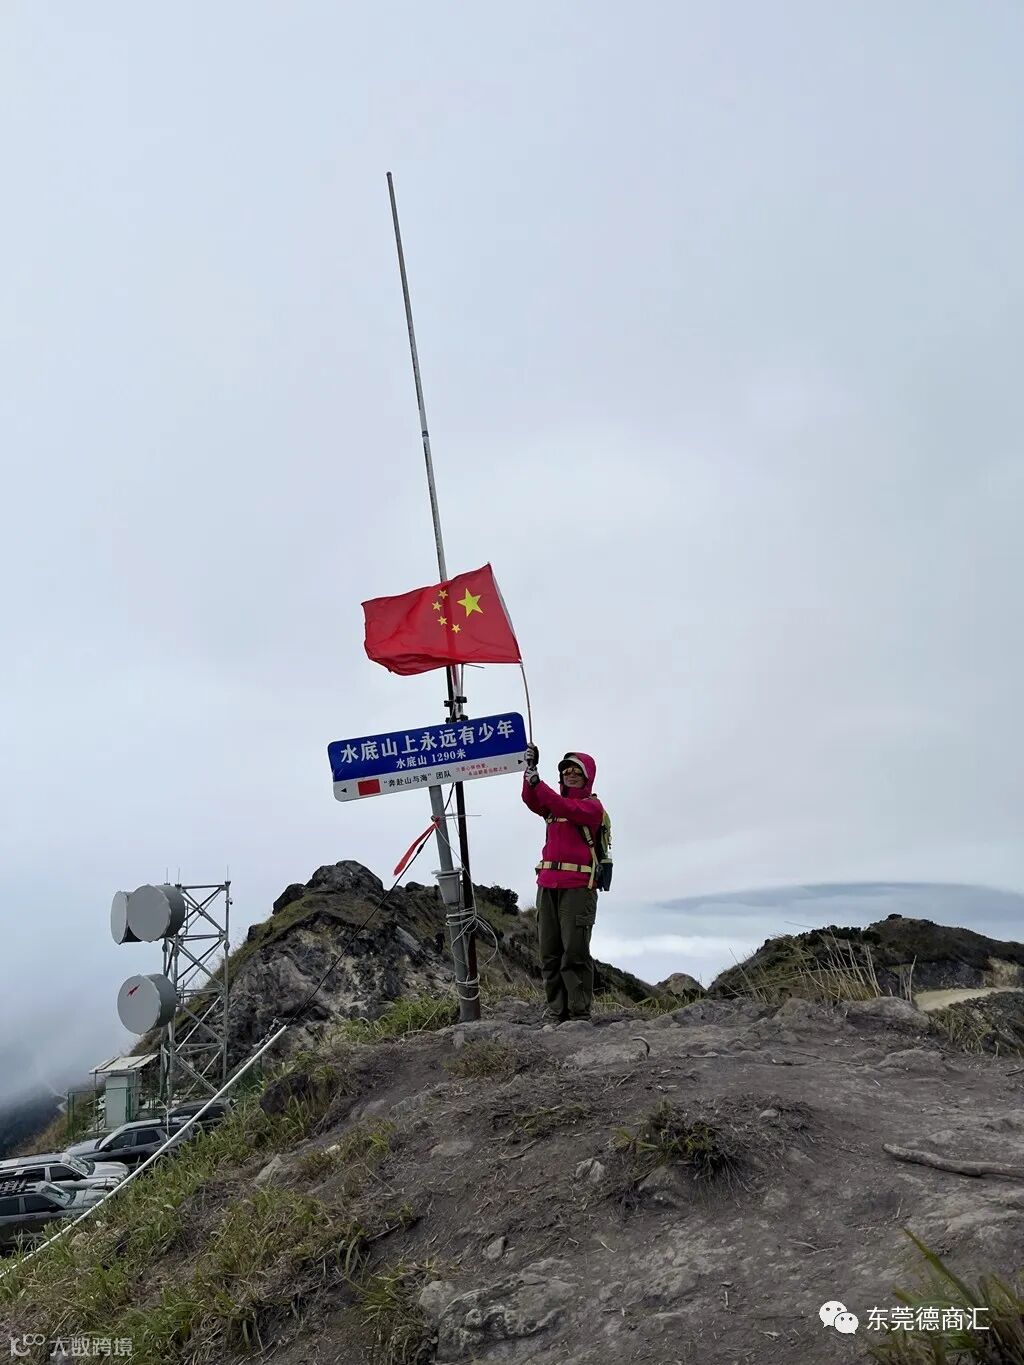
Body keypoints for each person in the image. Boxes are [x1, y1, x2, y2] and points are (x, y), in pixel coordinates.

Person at [522, 744, 603, 1024]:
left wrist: (538, 782)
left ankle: (579, 1014)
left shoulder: (591, 807)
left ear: (587, 777)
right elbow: (531, 799)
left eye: (576, 771)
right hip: (547, 885)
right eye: (566, 770)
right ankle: (558, 1012)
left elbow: (563, 805)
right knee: (550, 952)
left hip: (578, 888)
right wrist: (529, 771)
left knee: (575, 953)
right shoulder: (553, 805)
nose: (570, 774)